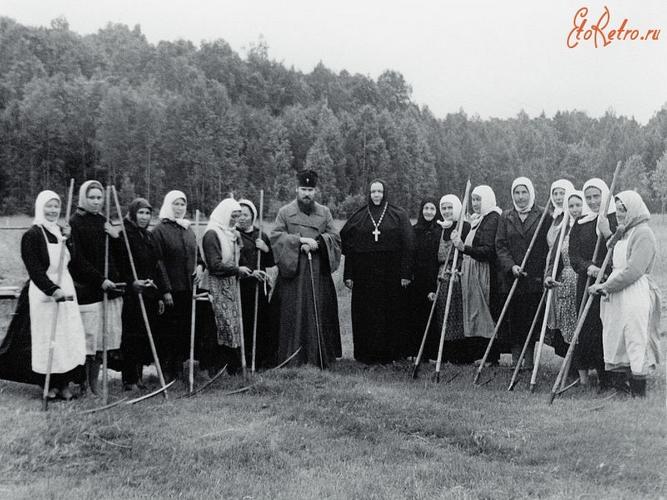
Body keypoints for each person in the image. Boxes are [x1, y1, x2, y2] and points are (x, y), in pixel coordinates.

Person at [0, 191, 86, 400]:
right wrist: (52, 289)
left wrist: (70, 240)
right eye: (49, 206)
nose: (53, 210)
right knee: (47, 339)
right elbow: (35, 269)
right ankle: (47, 384)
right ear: (40, 207)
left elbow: (73, 261)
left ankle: (64, 383)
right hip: (44, 293)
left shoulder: (61, 232)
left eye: (56, 206)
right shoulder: (32, 235)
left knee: (66, 337)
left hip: (65, 289)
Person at [589, 191, 661, 397]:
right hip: (618, 294)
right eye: (618, 209)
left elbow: (633, 271)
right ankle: (622, 386)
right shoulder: (625, 231)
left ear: (634, 209)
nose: (620, 214)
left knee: (634, 336)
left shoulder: (643, 233)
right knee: (617, 335)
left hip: (634, 291)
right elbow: (613, 251)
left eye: (624, 209)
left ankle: (639, 391)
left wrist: (605, 286)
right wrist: (607, 232)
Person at [270, 170, 342, 368]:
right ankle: (291, 355)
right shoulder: (285, 212)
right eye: (303, 189)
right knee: (292, 312)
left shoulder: (325, 212)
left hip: (318, 274)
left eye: (310, 190)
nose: (307, 194)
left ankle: (317, 356)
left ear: (315, 191)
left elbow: (335, 239)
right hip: (292, 274)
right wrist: (299, 241)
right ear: (297, 189)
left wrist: (318, 243)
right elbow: (276, 237)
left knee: (318, 311)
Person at [340, 179, 414, 364]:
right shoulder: (359, 216)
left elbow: (409, 245)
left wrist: (405, 273)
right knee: (367, 314)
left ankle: (392, 354)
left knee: (391, 312)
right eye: (373, 191)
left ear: (385, 192)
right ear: (369, 193)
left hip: (391, 275)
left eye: (379, 191)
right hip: (365, 276)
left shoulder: (398, 215)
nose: (376, 195)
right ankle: (367, 354)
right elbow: (348, 246)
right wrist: (349, 274)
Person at [69, 180, 125, 394]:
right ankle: (83, 384)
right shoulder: (75, 222)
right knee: (89, 340)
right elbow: (77, 259)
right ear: (83, 198)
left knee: (103, 341)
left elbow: (118, 255)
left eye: (99, 197)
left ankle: (95, 383)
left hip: (108, 290)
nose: (95, 201)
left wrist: (116, 237)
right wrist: (99, 279)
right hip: (88, 290)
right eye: (91, 197)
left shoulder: (104, 221)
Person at [495, 177, 550, 370]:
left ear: (531, 193)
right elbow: (500, 245)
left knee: (531, 319)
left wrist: (541, 269)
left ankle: (529, 360)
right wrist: (511, 266)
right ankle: (516, 359)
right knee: (514, 319)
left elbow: (548, 245)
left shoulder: (543, 215)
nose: (520, 197)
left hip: (534, 277)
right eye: (517, 193)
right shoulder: (506, 216)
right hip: (511, 278)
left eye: (524, 192)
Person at [568, 178, 617, 389]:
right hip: (587, 282)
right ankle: (598, 373)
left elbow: (621, 250)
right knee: (589, 328)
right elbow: (573, 255)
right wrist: (589, 267)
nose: (593, 201)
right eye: (588, 197)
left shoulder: (614, 219)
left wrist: (607, 231)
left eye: (596, 196)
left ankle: (614, 375)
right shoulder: (581, 222)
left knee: (609, 327)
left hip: (611, 282)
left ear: (605, 195)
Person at [152, 190, 203, 382]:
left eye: (182, 204)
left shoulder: (187, 228)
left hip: (188, 288)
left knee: (183, 329)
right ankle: (167, 370)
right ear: (168, 205)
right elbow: (158, 262)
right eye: (176, 204)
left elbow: (197, 255)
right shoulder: (159, 231)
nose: (180, 208)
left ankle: (180, 368)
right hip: (171, 289)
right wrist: (165, 290)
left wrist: (200, 267)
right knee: (168, 331)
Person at [451, 185, 502, 364]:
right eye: (473, 199)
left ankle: (490, 356)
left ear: (487, 199)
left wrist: (463, 247)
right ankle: (479, 354)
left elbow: (488, 251)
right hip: (472, 271)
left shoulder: (492, 218)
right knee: (475, 313)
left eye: (479, 199)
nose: (475, 203)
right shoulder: (479, 218)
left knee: (485, 313)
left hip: (484, 272)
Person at [119, 198, 167, 391]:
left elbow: (156, 266)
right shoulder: (124, 236)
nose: (144, 217)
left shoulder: (148, 236)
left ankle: (139, 377)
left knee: (143, 336)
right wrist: (132, 282)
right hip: (132, 294)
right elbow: (120, 266)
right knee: (131, 335)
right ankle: (129, 379)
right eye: (140, 213)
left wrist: (160, 294)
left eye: (147, 213)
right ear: (133, 214)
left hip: (149, 292)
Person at [201, 198, 249, 374]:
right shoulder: (212, 233)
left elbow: (237, 257)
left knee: (230, 326)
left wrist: (239, 241)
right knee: (217, 326)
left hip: (228, 284)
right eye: (232, 216)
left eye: (237, 216)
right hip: (214, 284)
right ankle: (213, 369)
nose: (235, 220)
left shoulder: (230, 233)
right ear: (223, 214)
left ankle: (231, 367)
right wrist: (237, 270)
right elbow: (214, 265)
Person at [544, 190, 587, 363]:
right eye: (571, 206)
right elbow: (555, 257)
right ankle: (572, 364)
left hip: (584, 280)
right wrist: (549, 275)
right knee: (568, 322)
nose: (575, 209)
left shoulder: (590, 227)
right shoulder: (565, 228)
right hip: (567, 282)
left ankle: (586, 363)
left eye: (578, 205)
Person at [428, 194, 471, 363]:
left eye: (450, 208)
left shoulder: (464, 227)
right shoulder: (439, 228)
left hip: (458, 275)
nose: (446, 211)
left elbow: (467, 250)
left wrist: (458, 267)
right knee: (442, 314)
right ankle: (445, 353)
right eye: (444, 208)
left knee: (458, 314)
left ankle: (461, 354)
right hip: (441, 276)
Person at [237, 198, 275, 368]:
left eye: (246, 215)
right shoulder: (233, 234)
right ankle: (242, 360)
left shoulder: (261, 236)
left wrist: (265, 249)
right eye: (239, 214)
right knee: (243, 322)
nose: (242, 218)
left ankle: (259, 360)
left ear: (253, 216)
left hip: (258, 287)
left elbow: (271, 262)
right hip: (241, 285)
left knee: (260, 322)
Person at [409, 197, 442, 358]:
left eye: (432, 209)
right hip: (418, 279)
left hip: (434, 276)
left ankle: (432, 352)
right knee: (417, 314)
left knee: (433, 315)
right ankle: (417, 351)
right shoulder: (414, 230)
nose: (429, 212)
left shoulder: (440, 231)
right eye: (426, 208)